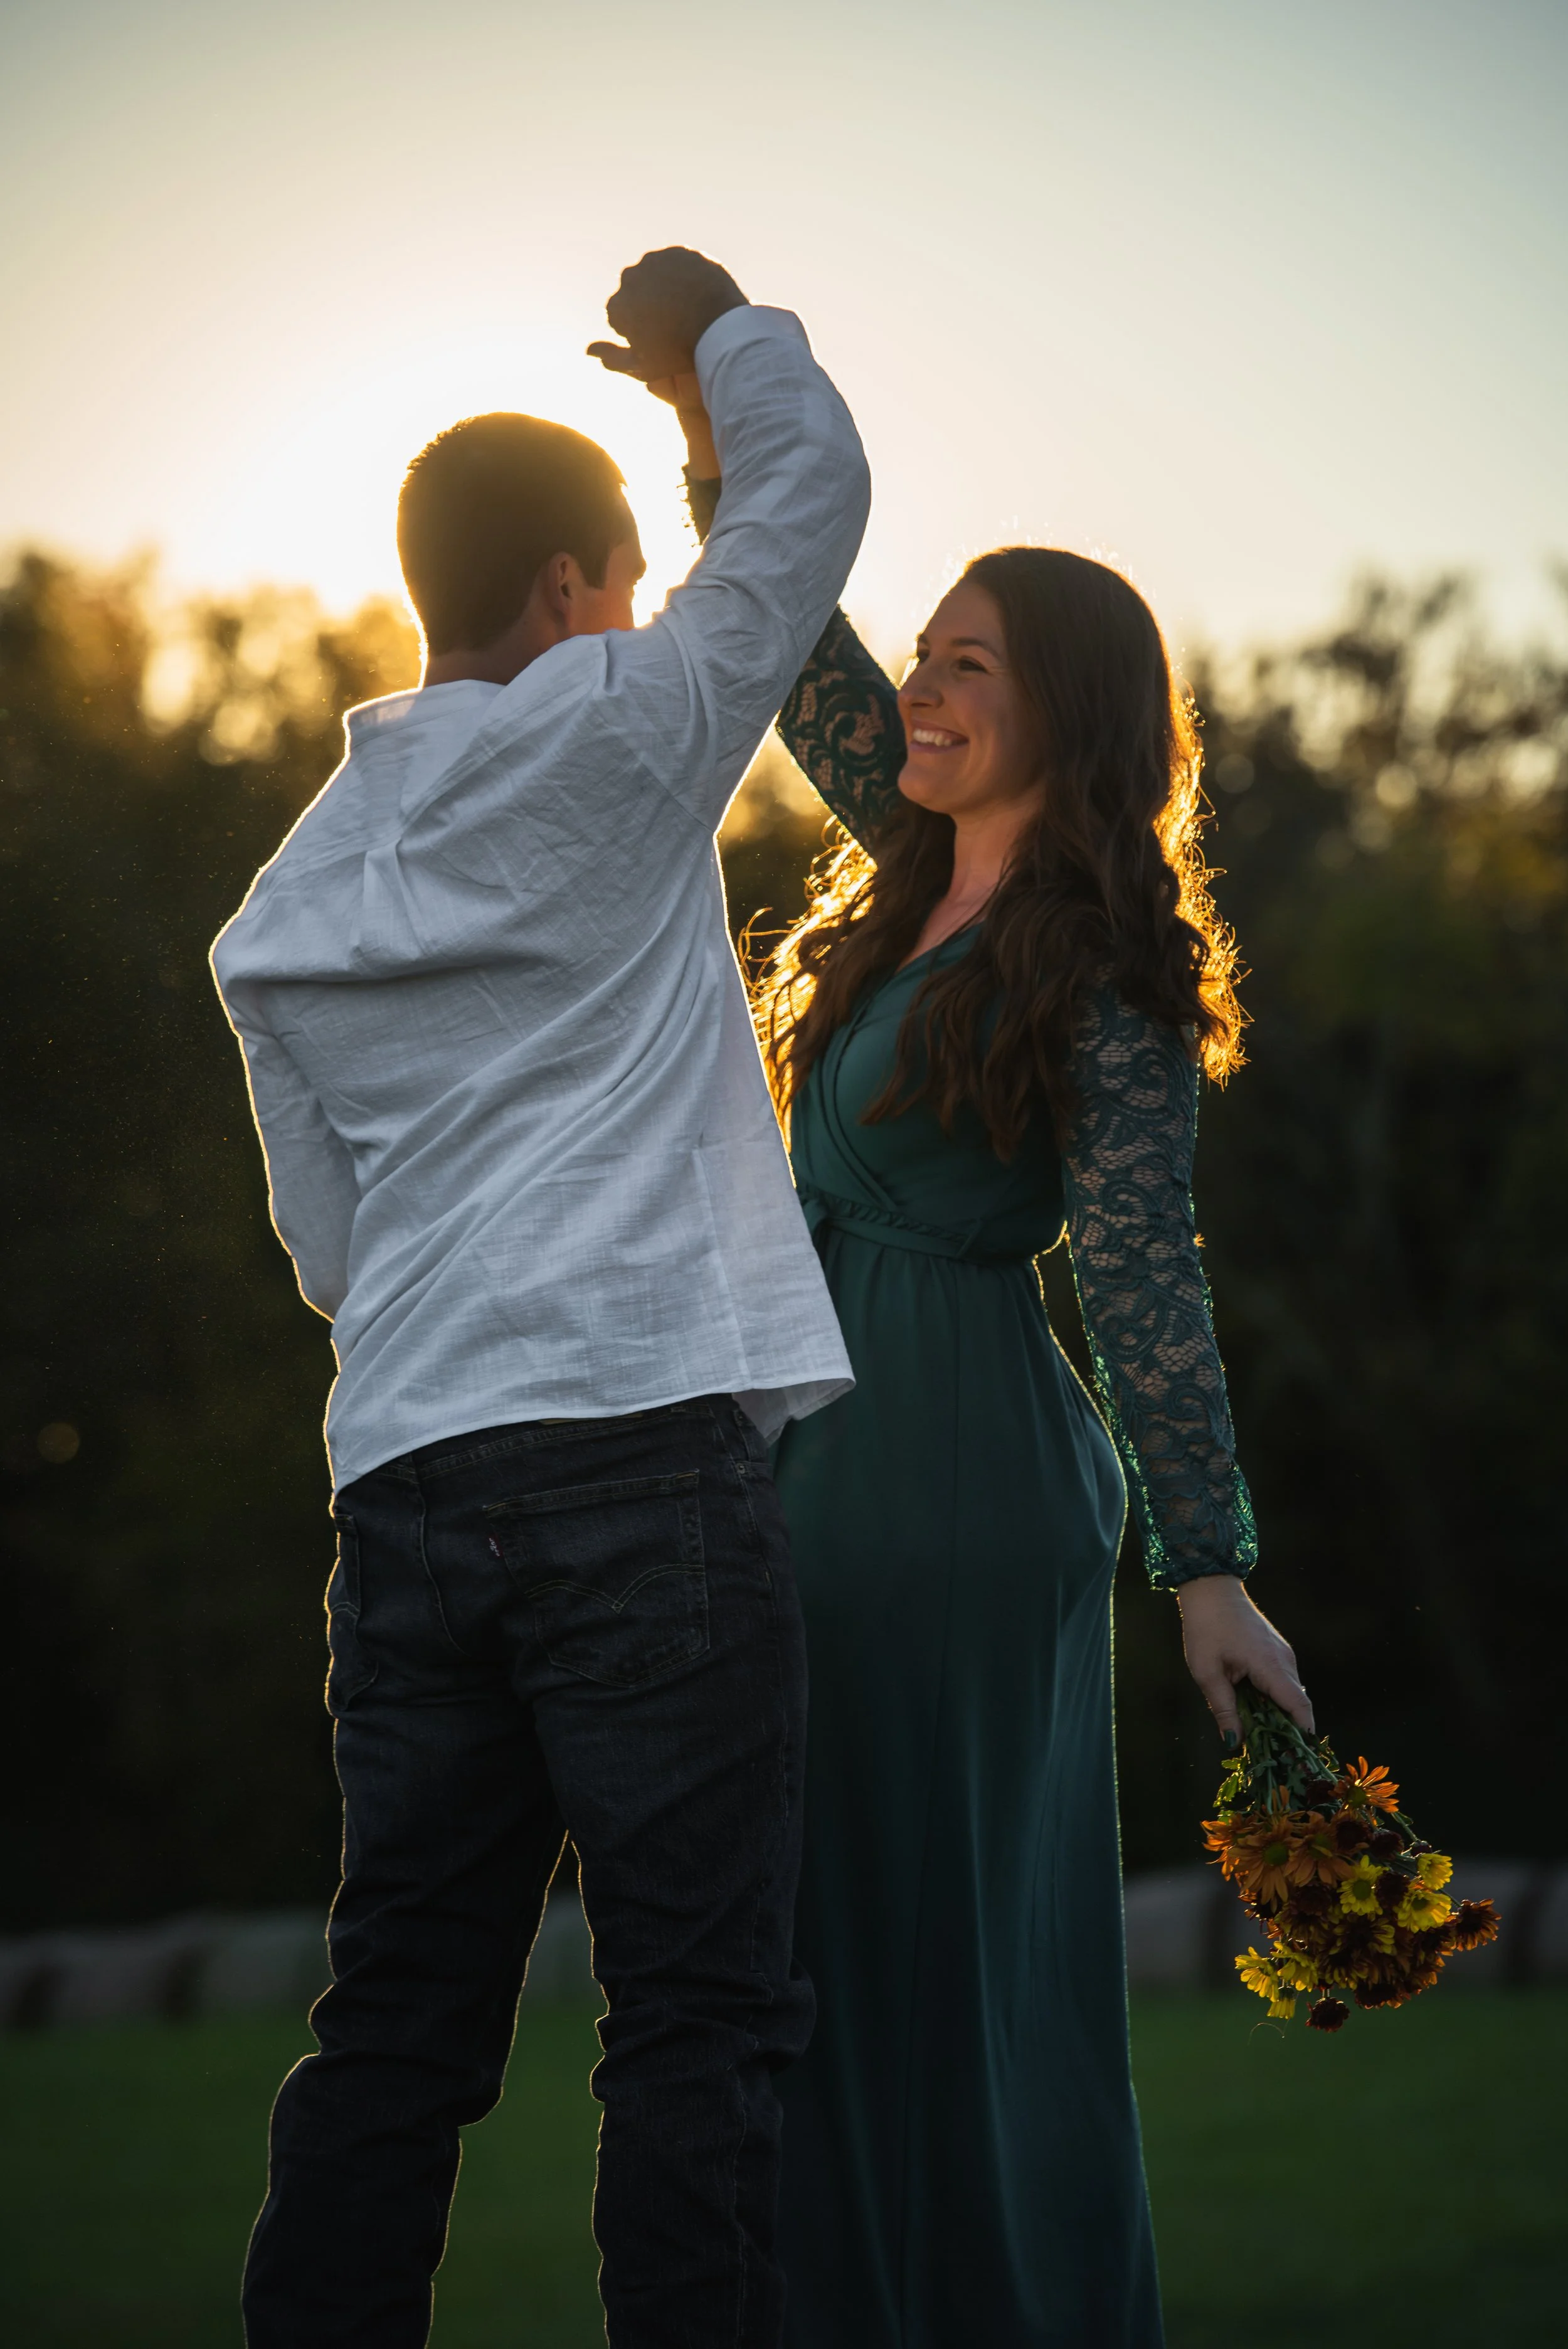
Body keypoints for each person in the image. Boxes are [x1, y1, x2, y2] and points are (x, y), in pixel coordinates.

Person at [209, 250, 870, 2349]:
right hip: (644, 1458)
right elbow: (808, 503)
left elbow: (331, 1253)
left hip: (408, 1485)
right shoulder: (626, 723)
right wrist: (719, 342)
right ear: (588, 581)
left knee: (396, 2028)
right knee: (696, 2024)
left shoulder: (285, 906)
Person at [667, 385, 1314, 2345]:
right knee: (828, 1942)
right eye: (928, 654)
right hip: (824, 1429)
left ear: (1069, 713)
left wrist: (1202, 1562)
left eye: (972, 663)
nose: (926, 689)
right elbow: (795, 643)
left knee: (919, 1947)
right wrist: (720, 421)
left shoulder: (1094, 964)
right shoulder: (908, 865)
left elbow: (1139, 1277)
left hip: (949, 1470)